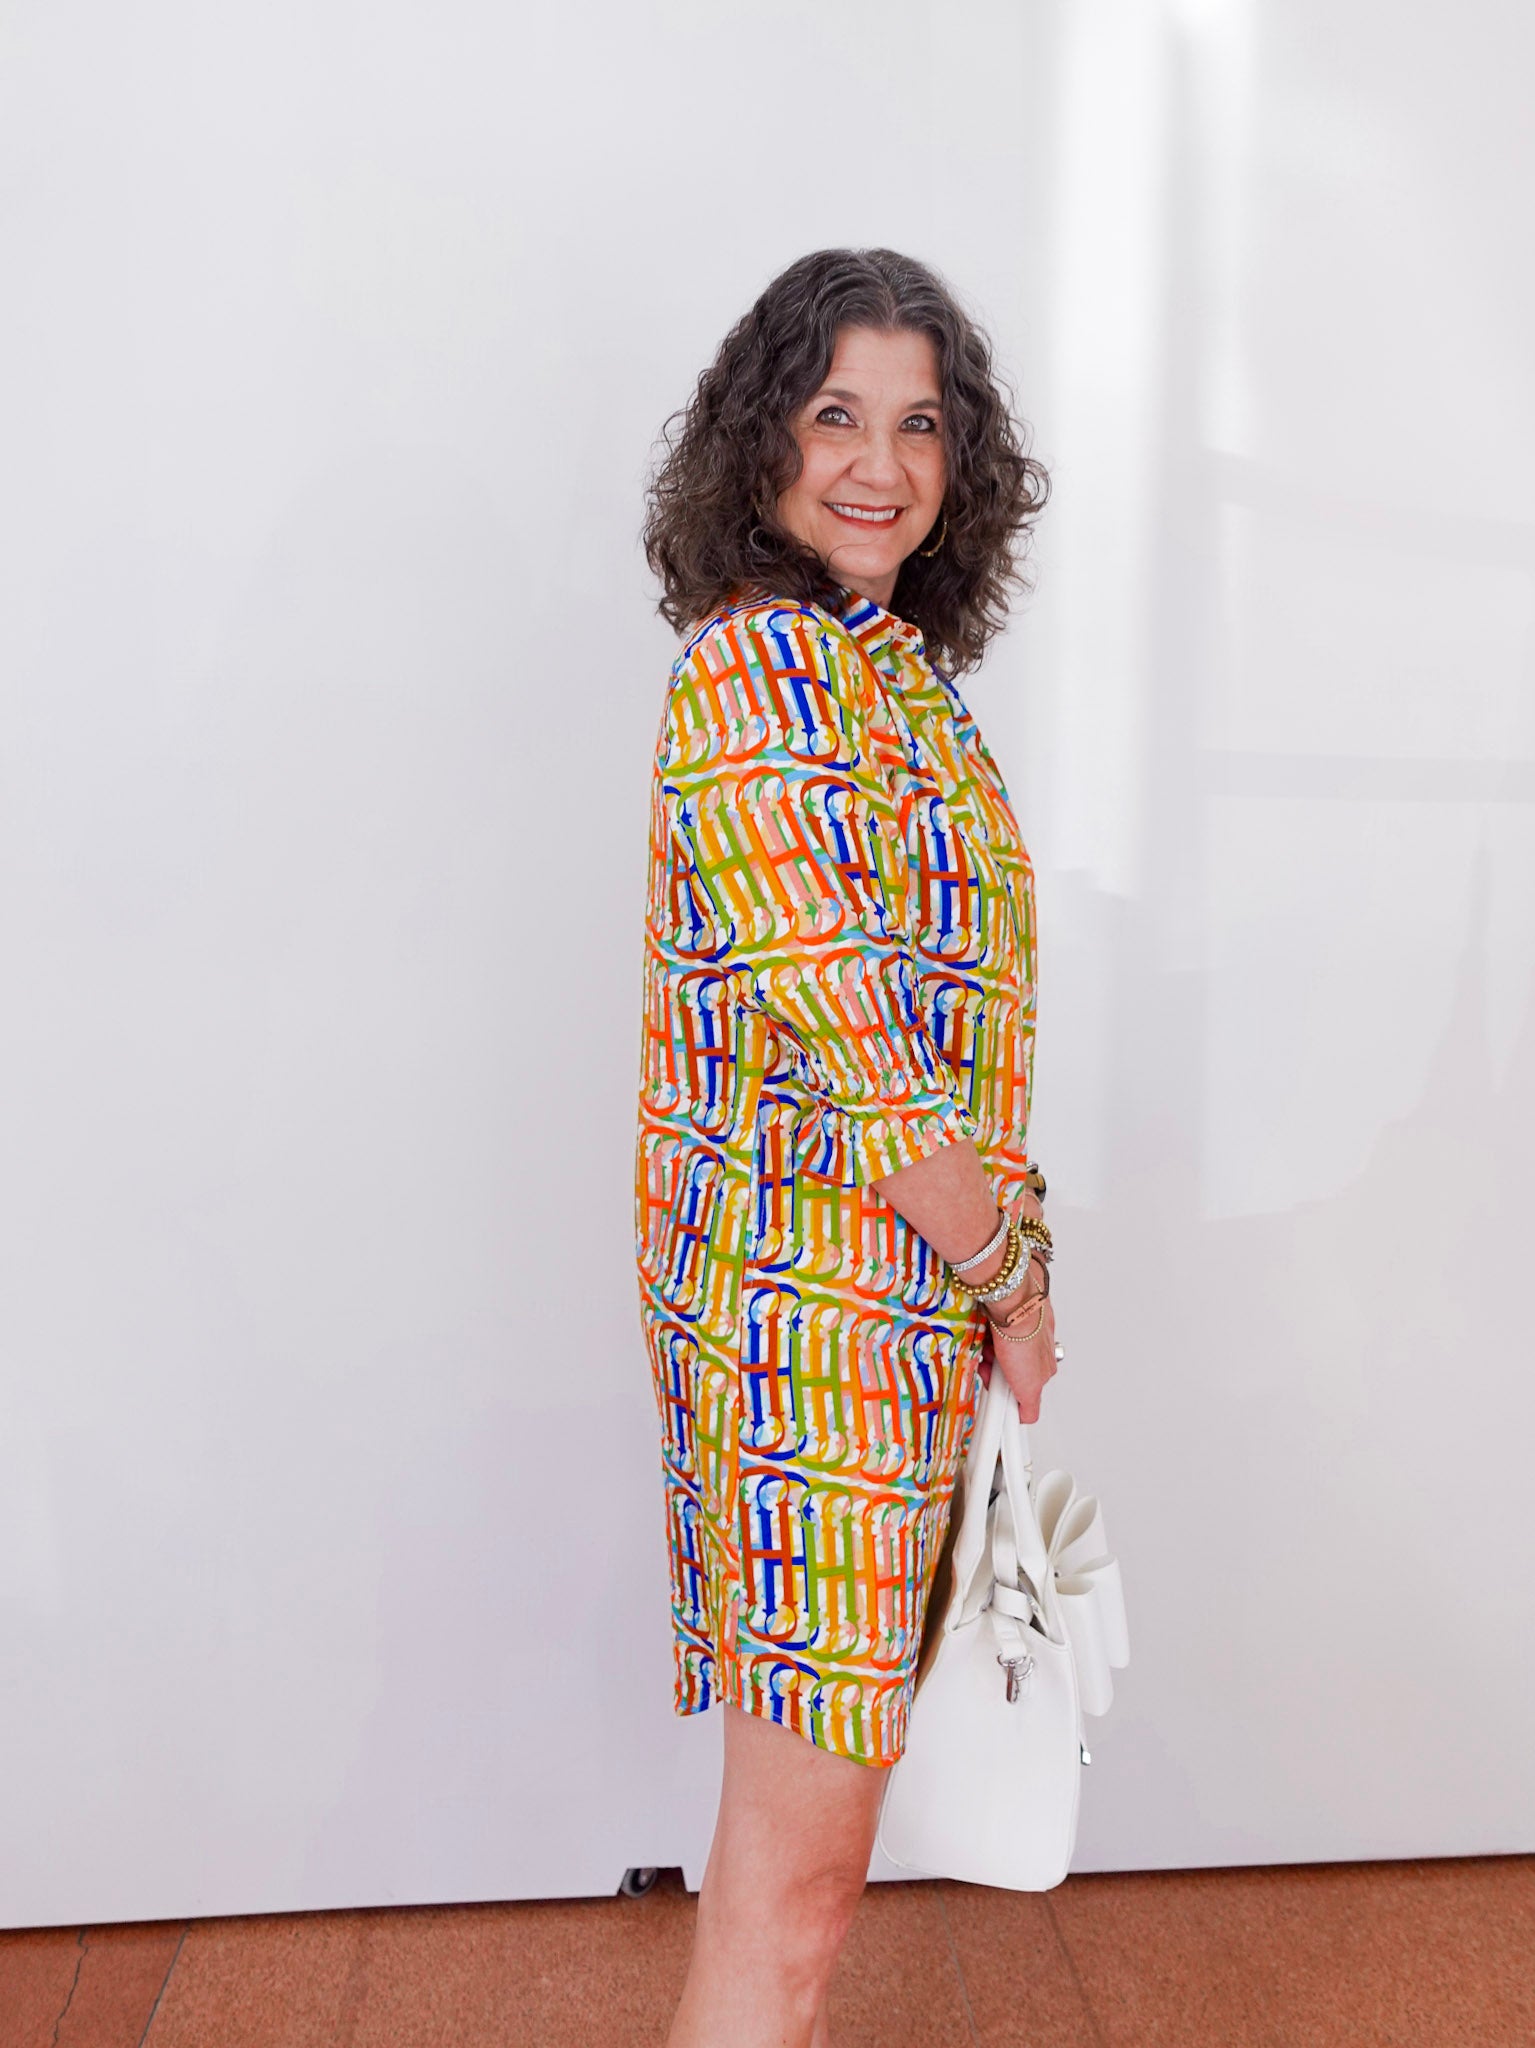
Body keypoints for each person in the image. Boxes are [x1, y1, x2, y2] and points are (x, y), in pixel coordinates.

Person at [633, 247, 1056, 2048]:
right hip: (801, 1338)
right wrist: (1006, 1269)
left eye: (919, 423)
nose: (878, 463)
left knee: (812, 1865)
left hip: (905, 1319)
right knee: (799, 1878)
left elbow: (975, 1040)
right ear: (761, 443)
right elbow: (874, 1076)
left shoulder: (898, 685)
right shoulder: (755, 681)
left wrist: (1001, 1271)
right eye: (833, 417)